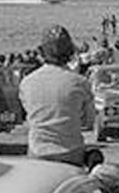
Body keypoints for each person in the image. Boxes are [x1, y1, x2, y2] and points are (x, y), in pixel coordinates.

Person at [18, 25, 95, 168]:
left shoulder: (27, 83)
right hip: (71, 153)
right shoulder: (80, 83)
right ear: (71, 52)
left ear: (41, 52)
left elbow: (29, 114)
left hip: (38, 153)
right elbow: (88, 123)